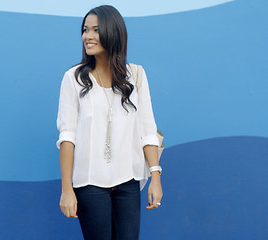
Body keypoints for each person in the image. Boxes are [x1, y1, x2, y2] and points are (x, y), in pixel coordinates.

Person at [56, 5, 163, 240]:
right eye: (85, 30)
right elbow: (67, 136)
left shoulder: (135, 76)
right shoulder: (73, 79)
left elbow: (148, 130)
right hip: (89, 184)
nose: (88, 36)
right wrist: (67, 190)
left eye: (96, 30)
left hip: (128, 182)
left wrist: (155, 176)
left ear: (113, 33)